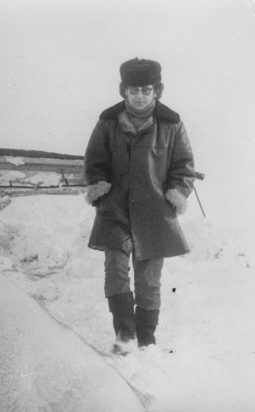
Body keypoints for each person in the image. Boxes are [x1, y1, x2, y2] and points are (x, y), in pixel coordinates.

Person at [84, 58, 196, 355]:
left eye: (146, 90)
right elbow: (94, 162)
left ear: (157, 90)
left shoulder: (172, 124)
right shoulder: (108, 122)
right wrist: (100, 190)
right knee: (116, 270)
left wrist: (176, 194)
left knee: (148, 280)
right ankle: (124, 332)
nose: (140, 96)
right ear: (124, 90)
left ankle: (146, 337)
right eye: (133, 90)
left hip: (154, 213)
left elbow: (184, 167)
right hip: (116, 210)